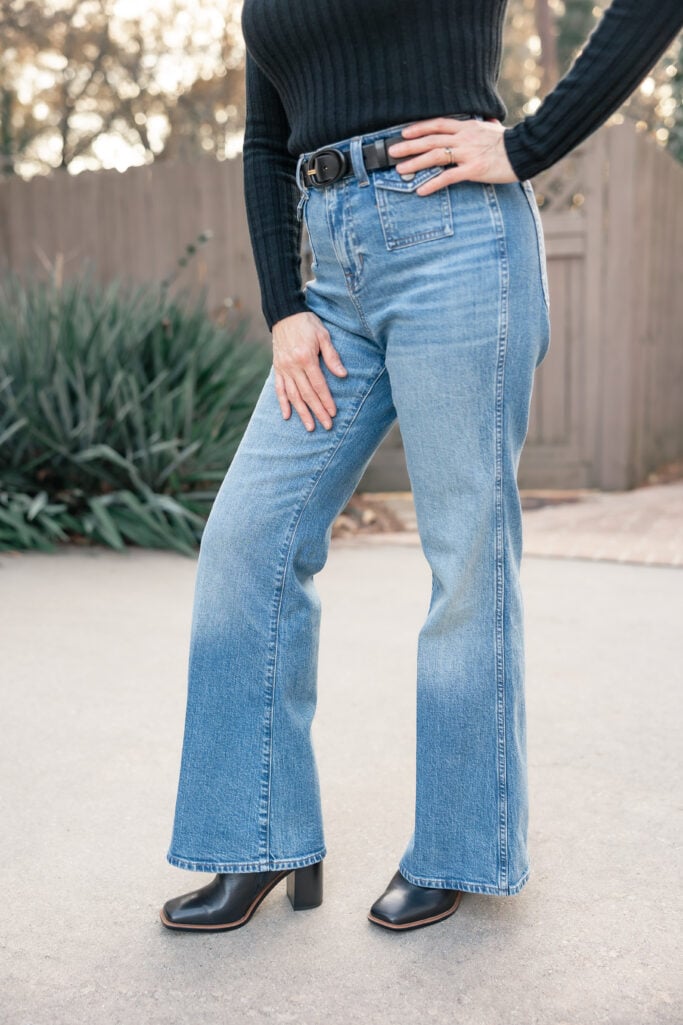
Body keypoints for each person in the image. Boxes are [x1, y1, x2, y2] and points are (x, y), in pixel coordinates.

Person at [160, 0, 683, 933]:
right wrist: (284, 307)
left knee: (465, 557)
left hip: (458, 244)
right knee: (246, 541)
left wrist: (528, 145)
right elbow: (265, 142)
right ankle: (257, 837)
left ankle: (461, 845)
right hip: (331, 282)